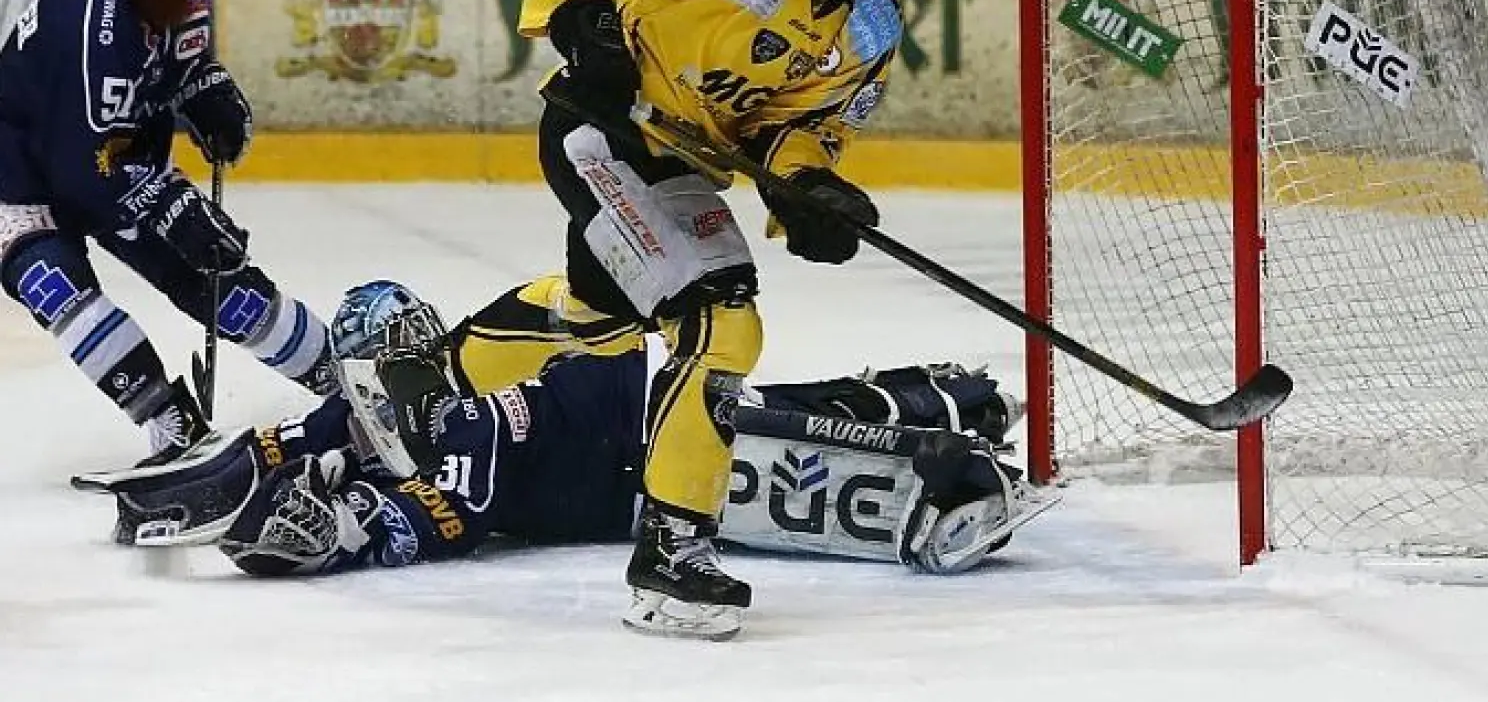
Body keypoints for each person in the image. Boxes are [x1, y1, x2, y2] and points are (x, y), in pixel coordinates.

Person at [516, 0, 955, 634]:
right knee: (720, 317)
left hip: (678, 162)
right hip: (603, 127)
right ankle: (671, 557)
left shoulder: (873, 23)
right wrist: (586, 21)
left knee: (600, 312)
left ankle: (440, 375)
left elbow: (804, 130)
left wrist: (810, 192)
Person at [85, 278, 1051, 640]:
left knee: (781, 445)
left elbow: (442, 520)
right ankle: (948, 392)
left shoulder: (466, 415)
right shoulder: (367, 409)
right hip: (612, 431)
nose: (415, 366)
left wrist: (337, 530)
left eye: (419, 346)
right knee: (772, 411)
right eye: (397, 355)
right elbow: (280, 446)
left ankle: (956, 447)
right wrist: (168, 502)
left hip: (626, 446)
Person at [0, 0, 335, 467]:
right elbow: (85, 169)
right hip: (19, 173)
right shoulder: (94, 28)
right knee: (56, 286)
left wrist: (207, 93)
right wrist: (174, 211)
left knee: (218, 283)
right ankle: (167, 420)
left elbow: (182, 69)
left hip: (113, 161)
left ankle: (340, 381)